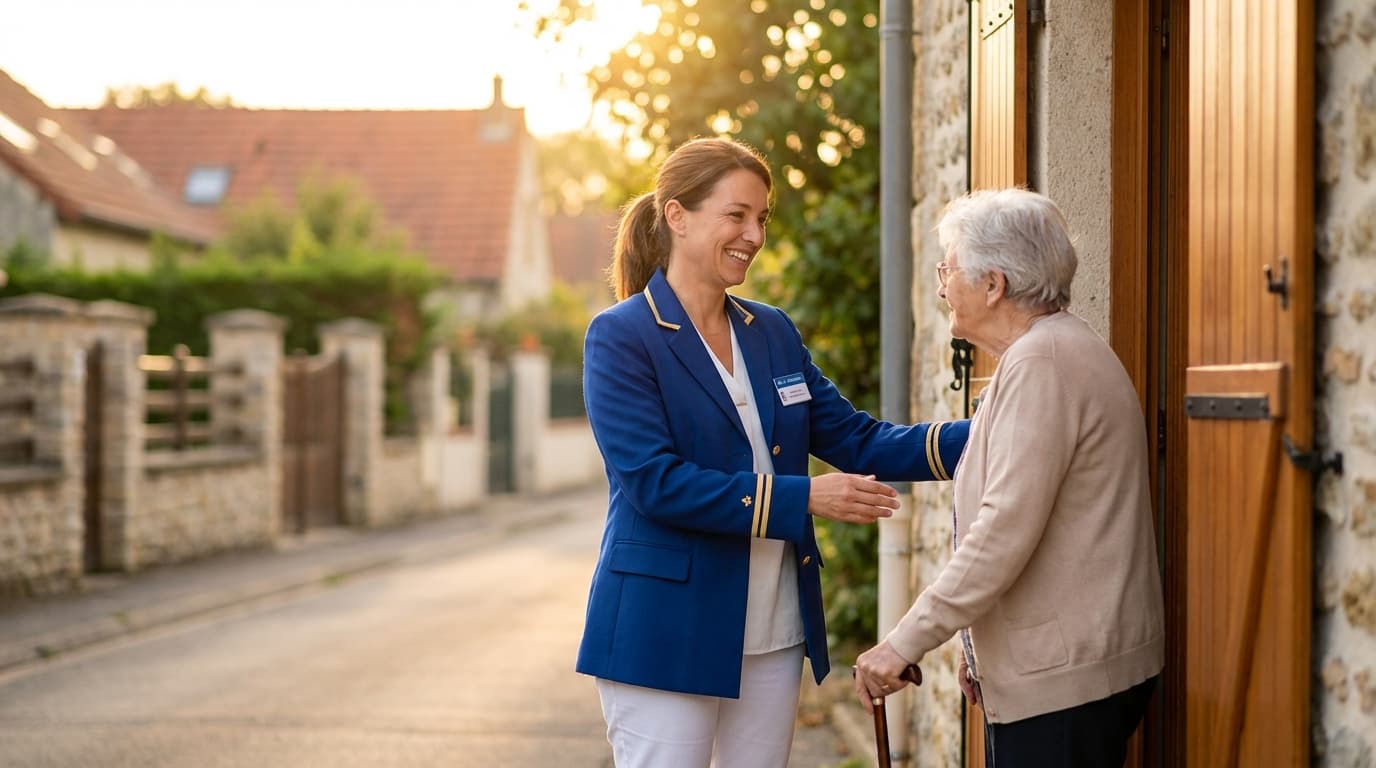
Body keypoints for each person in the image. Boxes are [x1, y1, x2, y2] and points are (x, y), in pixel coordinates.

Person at [576, 136, 969, 768]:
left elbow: (859, 439)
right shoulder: (621, 336)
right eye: (736, 215)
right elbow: (656, 482)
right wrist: (805, 497)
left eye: (761, 218)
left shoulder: (772, 332)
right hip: (664, 629)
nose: (753, 235)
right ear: (677, 216)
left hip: (772, 632)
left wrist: (998, 428)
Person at [852, 188, 1164, 767]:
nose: (942, 286)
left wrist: (904, 642)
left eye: (949, 269)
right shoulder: (1045, 355)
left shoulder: (1042, 364)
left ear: (993, 285)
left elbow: (1002, 531)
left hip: (1068, 682)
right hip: (1063, 673)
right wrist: (982, 653)